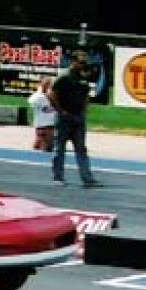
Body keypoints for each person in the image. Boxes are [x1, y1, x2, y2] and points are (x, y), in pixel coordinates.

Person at [48, 51, 101, 188]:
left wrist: (84, 110)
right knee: (59, 149)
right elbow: (52, 94)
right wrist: (61, 111)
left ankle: (87, 178)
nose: (83, 65)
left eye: (84, 63)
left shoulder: (83, 78)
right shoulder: (64, 76)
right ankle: (58, 177)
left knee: (81, 149)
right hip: (65, 118)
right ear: (74, 62)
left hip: (78, 118)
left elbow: (86, 95)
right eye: (81, 62)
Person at [29, 76, 57, 152]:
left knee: (40, 146)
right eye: (50, 85)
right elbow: (33, 105)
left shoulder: (54, 96)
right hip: (42, 125)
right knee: (47, 148)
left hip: (51, 125)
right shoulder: (38, 97)